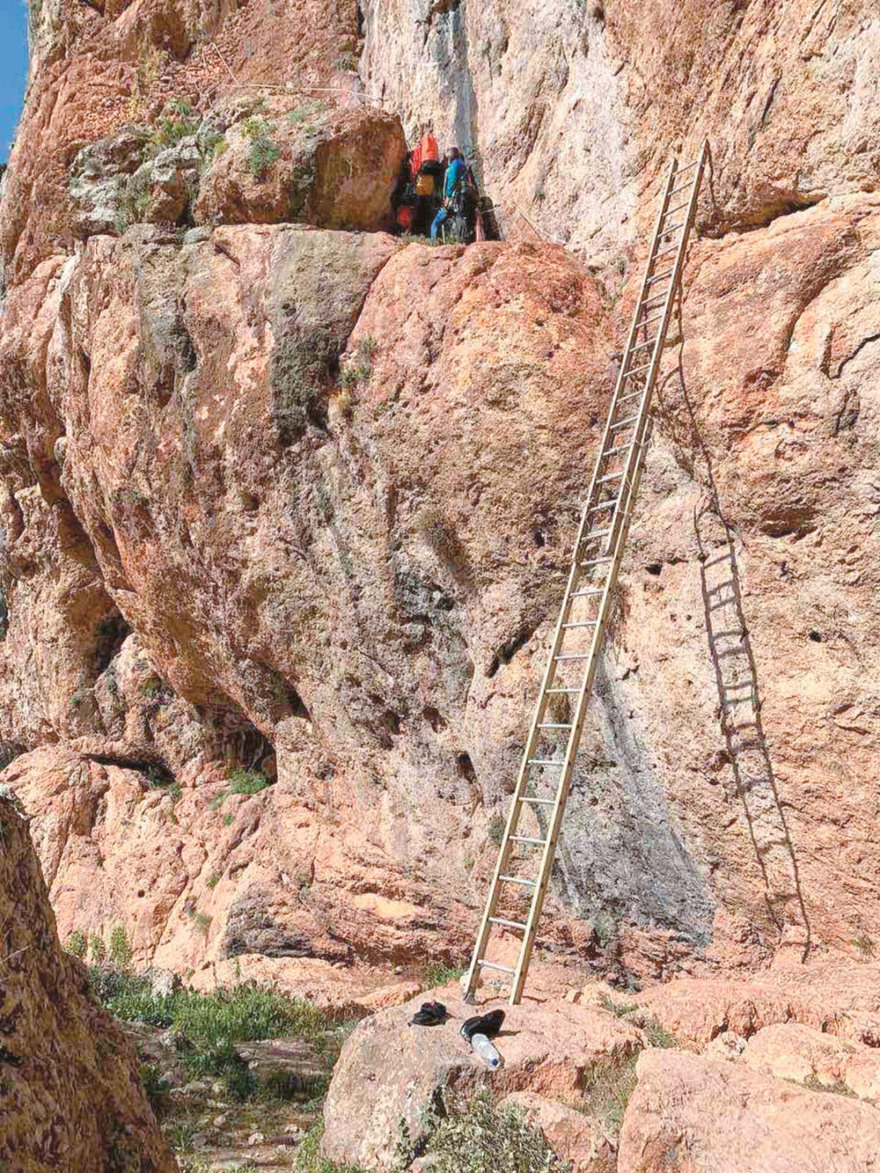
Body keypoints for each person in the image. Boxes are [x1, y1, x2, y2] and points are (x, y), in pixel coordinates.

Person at [430, 147, 468, 242]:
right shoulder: (463, 165)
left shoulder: (452, 167)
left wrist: (447, 197)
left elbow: (451, 183)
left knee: (434, 224)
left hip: (453, 200)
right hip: (462, 199)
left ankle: (434, 243)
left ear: (449, 157)